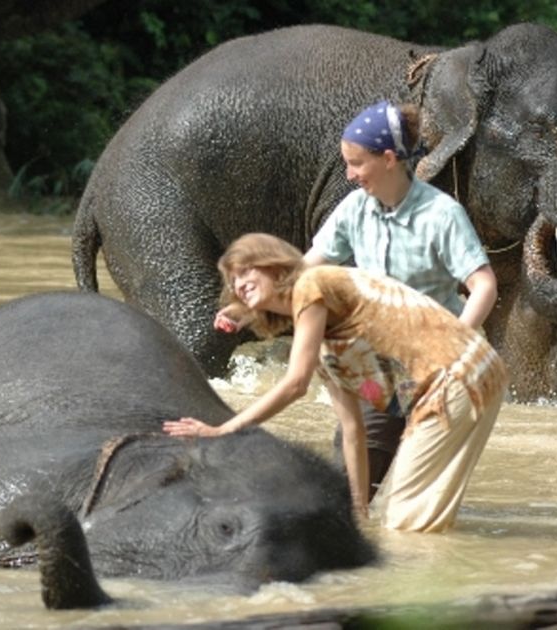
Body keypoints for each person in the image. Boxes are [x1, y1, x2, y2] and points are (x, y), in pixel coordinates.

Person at [213, 100, 497, 498]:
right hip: (378, 369)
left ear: (388, 159)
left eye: (357, 163)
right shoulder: (354, 209)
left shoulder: (441, 215)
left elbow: (484, 285)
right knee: (351, 487)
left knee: (412, 504)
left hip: (438, 369)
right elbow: (305, 269)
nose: (349, 174)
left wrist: (452, 350)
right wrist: (248, 307)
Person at [163, 233, 507, 532]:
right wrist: (358, 510)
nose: (238, 285)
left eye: (245, 271)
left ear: (274, 266)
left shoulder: (312, 285)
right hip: (472, 374)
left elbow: (295, 383)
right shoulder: (328, 347)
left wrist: (224, 430)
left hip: (458, 374)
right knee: (409, 517)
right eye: (232, 280)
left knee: (404, 523)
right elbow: (353, 429)